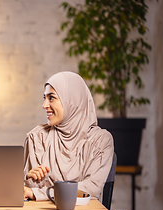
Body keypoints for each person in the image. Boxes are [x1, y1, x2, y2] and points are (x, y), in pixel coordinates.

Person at [23, 71, 114, 201]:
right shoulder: (37, 137)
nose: (44, 105)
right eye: (45, 98)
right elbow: (26, 192)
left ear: (72, 100)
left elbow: (92, 188)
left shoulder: (100, 140)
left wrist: (38, 193)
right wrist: (28, 180)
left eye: (52, 98)